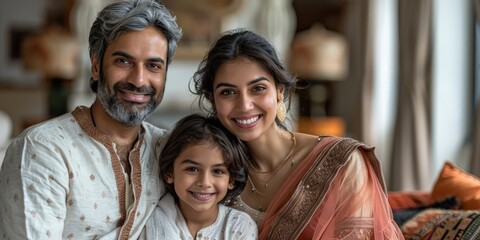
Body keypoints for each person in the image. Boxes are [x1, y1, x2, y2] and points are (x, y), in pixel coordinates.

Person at [191, 28, 404, 239]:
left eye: (258, 88)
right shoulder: (214, 177)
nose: (245, 105)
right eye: (228, 92)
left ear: (279, 91)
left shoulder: (343, 163)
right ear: (213, 101)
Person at [0, 0, 181, 239]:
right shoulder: (42, 149)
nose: (139, 80)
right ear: (96, 66)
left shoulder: (171, 150)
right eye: (123, 61)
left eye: (153, 65)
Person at [140, 114, 258, 239]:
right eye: (192, 169)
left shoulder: (239, 227)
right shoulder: (149, 221)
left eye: (217, 171)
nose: (205, 182)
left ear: (232, 179)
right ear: (169, 173)